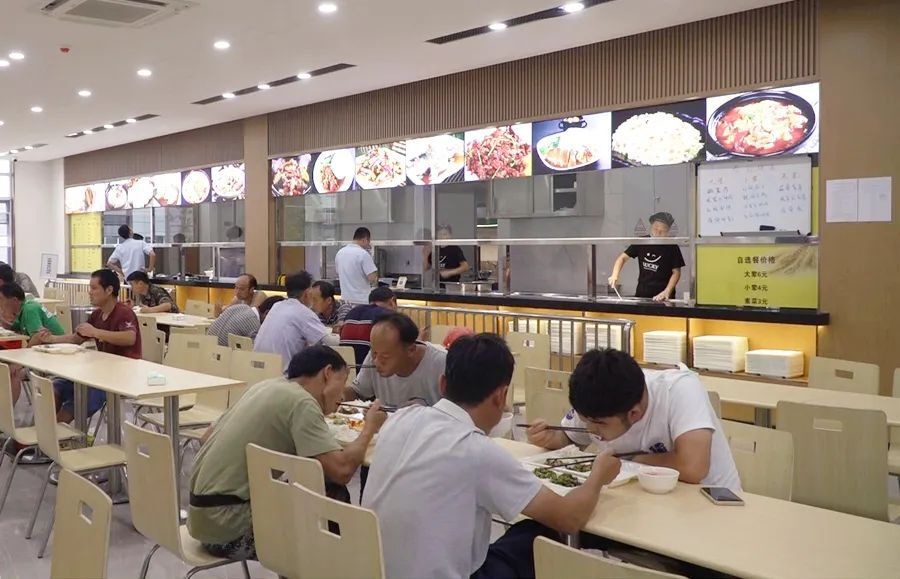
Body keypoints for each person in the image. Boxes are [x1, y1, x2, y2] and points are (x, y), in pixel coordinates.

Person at [362, 333, 622, 579]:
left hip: (373, 570)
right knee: (541, 535)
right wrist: (598, 476)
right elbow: (569, 519)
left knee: (520, 535)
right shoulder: (476, 451)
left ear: (442, 384)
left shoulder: (400, 419)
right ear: (501, 396)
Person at [188, 346, 387, 560]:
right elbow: (342, 470)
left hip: (201, 519)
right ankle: (334, 566)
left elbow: (205, 437)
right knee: (331, 491)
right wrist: (369, 428)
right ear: (327, 373)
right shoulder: (302, 402)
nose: (342, 394)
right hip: (229, 530)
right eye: (343, 381)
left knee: (303, 484)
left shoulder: (264, 386)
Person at [527, 348, 741, 490]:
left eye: (599, 424)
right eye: (585, 420)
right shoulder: (596, 398)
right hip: (643, 502)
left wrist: (628, 462)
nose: (591, 430)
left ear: (634, 414)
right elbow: (569, 439)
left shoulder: (679, 390)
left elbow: (693, 468)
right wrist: (551, 438)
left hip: (709, 503)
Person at [32, 269, 141, 423]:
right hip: (99, 374)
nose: (89, 292)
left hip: (120, 377)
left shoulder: (124, 313)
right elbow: (76, 339)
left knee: (79, 400)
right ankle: (44, 432)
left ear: (109, 290)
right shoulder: (97, 315)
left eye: (94, 288)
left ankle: (57, 434)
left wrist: (96, 332)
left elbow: (130, 338)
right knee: (53, 388)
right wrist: (50, 338)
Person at [344, 313, 444, 407]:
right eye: (374, 353)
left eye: (385, 357)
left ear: (411, 350)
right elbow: (358, 392)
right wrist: (337, 387)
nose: (376, 362)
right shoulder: (376, 353)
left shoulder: (441, 363)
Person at [254, 271, 334, 373]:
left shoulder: (277, 306)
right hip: (283, 375)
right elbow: (330, 342)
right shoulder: (303, 312)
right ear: (307, 293)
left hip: (257, 371)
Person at [0, 283, 65, 404]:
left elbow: (38, 337)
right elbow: (14, 328)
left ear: (14, 300)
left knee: (13, 372)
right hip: (43, 352)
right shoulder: (24, 310)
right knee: (6, 367)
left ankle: (8, 411)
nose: (0, 303)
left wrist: (21, 362)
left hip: (54, 355)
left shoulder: (30, 309)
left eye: (1, 299)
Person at [608, 212, 684, 301]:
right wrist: (615, 275)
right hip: (642, 293)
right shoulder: (642, 241)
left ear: (668, 230)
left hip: (663, 296)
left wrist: (667, 291)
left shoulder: (672, 246)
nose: (658, 232)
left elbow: (676, 273)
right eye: (656, 228)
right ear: (651, 227)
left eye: (662, 230)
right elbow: (622, 258)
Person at [338, 287, 398, 365]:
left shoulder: (352, 312)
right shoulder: (388, 316)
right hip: (372, 368)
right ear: (392, 301)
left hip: (348, 367)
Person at [206, 295, 284, 347]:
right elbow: (258, 353)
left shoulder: (241, 307)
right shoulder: (254, 325)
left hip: (207, 351)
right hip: (222, 359)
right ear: (267, 313)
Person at [334, 227, 378, 305]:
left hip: (345, 300)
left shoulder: (340, 253)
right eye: (368, 241)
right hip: (361, 301)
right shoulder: (363, 254)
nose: (368, 244)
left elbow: (338, 272)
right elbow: (372, 278)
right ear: (364, 240)